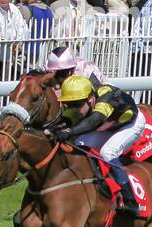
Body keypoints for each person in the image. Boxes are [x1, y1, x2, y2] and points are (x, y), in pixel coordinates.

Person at [49, 75, 144, 215]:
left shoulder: (105, 99)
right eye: (69, 105)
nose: (73, 109)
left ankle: (131, 200)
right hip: (110, 125)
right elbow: (68, 119)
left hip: (131, 124)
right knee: (79, 144)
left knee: (108, 152)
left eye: (77, 105)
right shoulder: (85, 102)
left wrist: (69, 131)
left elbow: (94, 121)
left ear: (91, 99)